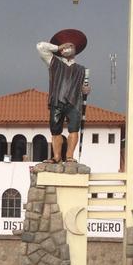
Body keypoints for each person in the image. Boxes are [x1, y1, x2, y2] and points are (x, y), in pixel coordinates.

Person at [36, 28, 91, 164]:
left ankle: (70, 156)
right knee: (55, 130)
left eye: (70, 46)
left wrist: (85, 90)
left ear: (76, 49)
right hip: (57, 100)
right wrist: (57, 47)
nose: (66, 49)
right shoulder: (54, 63)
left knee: (74, 128)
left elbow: (83, 87)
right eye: (64, 47)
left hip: (74, 102)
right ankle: (56, 156)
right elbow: (40, 46)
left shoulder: (82, 69)